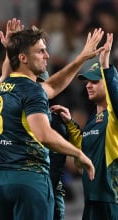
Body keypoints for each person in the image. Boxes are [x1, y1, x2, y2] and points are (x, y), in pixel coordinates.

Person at [0, 21, 104, 219]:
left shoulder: (4, 84)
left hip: (1, 181)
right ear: (23, 58)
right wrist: (78, 153)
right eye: (41, 51)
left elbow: (52, 86)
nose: (47, 55)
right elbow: (44, 135)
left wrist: (80, 59)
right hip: (30, 181)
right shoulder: (32, 90)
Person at [51, 33, 118, 220]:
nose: (88, 85)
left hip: (111, 198)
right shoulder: (92, 120)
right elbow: (83, 153)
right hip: (91, 198)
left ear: (108, 83)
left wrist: (106, 67)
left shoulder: (114, 117)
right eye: (87, 81)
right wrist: (70, 123)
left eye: (95, 81)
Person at [37, 72, 67, 220]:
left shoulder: (55, 122)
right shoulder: (13, 118)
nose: (35, 87)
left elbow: (55, 168)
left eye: (40, 83)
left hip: (49, 193)